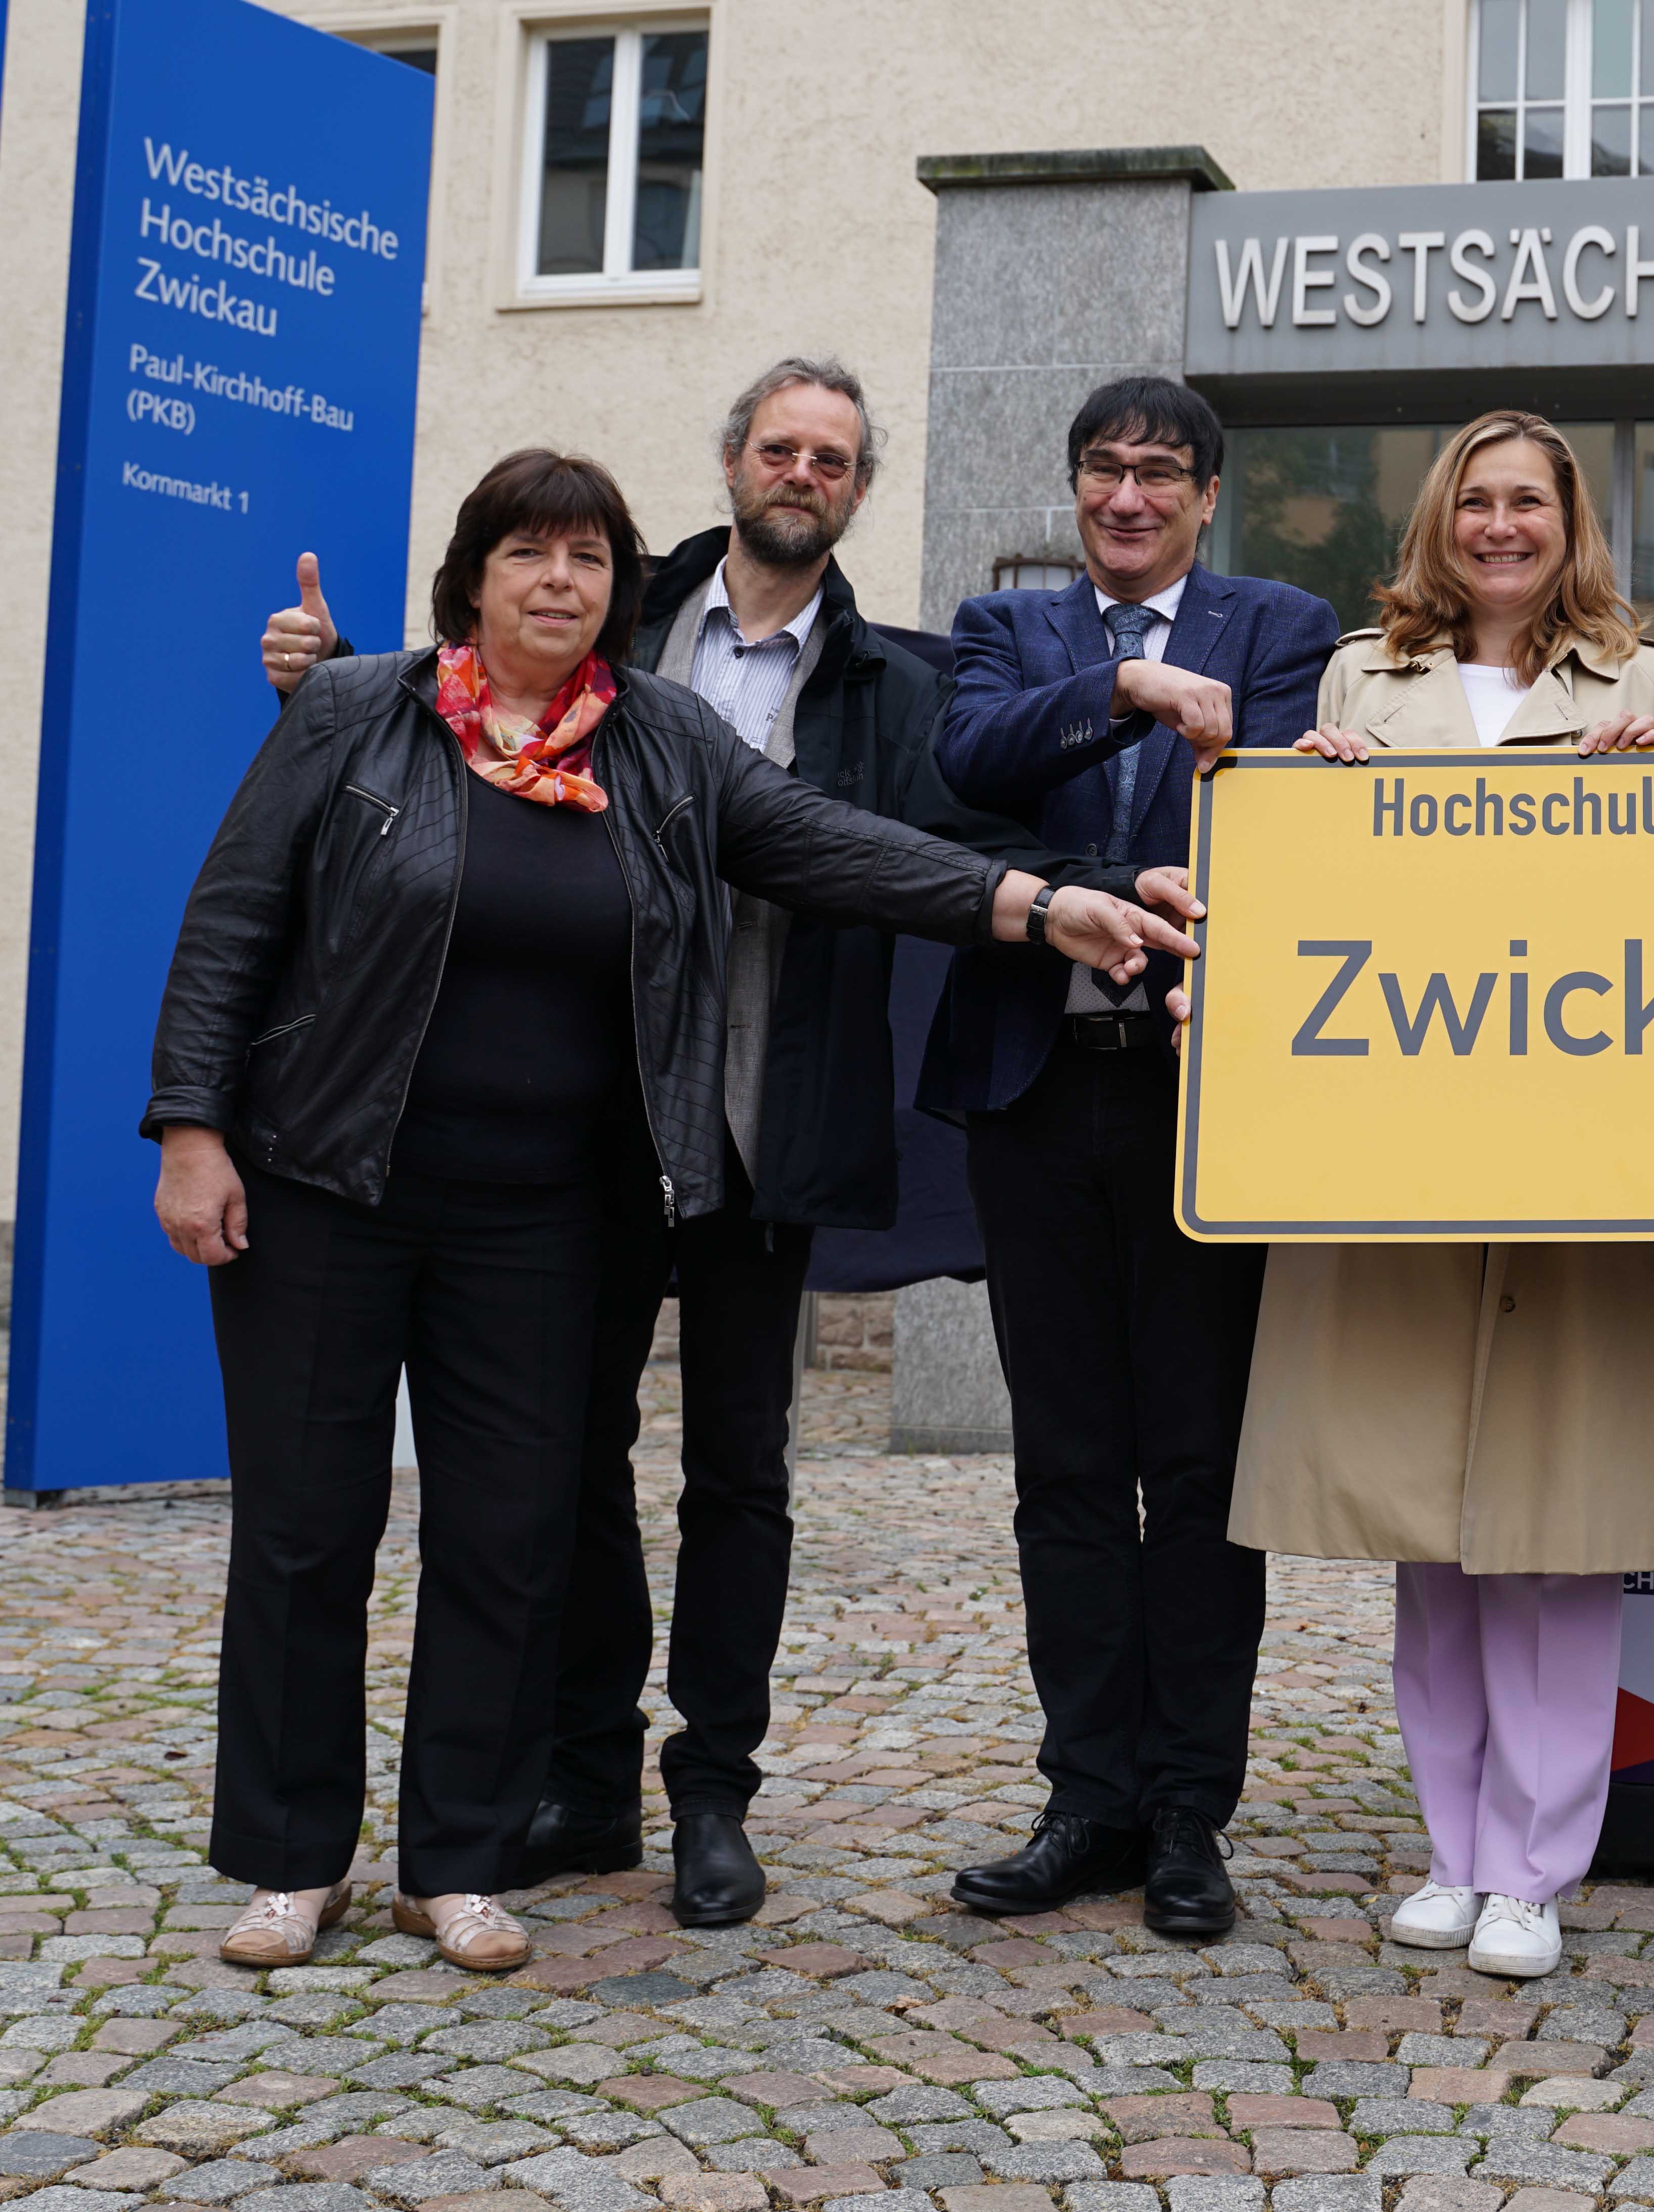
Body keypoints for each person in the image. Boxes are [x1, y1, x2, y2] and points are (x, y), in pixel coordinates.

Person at [158, 450, 1190, 1974]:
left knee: (509, 1542)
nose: (560, 581)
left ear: (616, 590)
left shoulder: (664, 743)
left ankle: (454, 1859)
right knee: (310, 1537)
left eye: (588, 558)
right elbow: (233, 919)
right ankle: (291, 1858)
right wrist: (194, 1129)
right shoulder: (355, 712)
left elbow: (841, 847)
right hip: (329, 1183)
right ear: (476, 577)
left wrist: (1039, 907)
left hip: (550, 1215)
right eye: (530, 554)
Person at [1241, 409, 1654, 1978]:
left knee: (1559, 1533)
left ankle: (1537, 1866)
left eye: (1530, 502)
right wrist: (1310, 795)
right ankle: (1450, 1851)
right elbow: (1314, 901)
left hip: (1575, 1169)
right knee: (1429, 1531)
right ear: (1441, 522)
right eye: (1476, 501)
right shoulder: (1358, 679)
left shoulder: (1647, 687)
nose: (1501, 526)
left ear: (1569, 523)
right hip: (1403, 1160)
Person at [929, 377, 1337, 1938]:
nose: (1126, 496)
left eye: (1157, 473)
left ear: (1206, 495)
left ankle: (1187, 1813)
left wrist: (1112, 867)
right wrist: (1130, 693)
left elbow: (1288, 827)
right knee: (1067, 1468)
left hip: (1202, 1096)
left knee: (1198, 1465)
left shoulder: (1282, 629)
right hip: (1036, 1094)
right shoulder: (1005, 632)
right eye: (1101, 469)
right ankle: (1084, 1800)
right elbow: (967, 776)